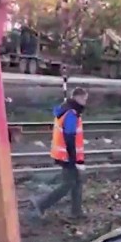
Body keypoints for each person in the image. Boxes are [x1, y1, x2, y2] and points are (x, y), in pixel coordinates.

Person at [29, 88, 87, 220]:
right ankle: (40, 203)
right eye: (84, 99)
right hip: (67, 156)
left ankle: (76, 212)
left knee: (77, 182)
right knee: (68, 184)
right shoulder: (71, 114)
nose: (85, 102)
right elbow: (69, 137)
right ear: (77, 98)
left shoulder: (66, 110)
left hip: (65, 155)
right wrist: (75, 160)